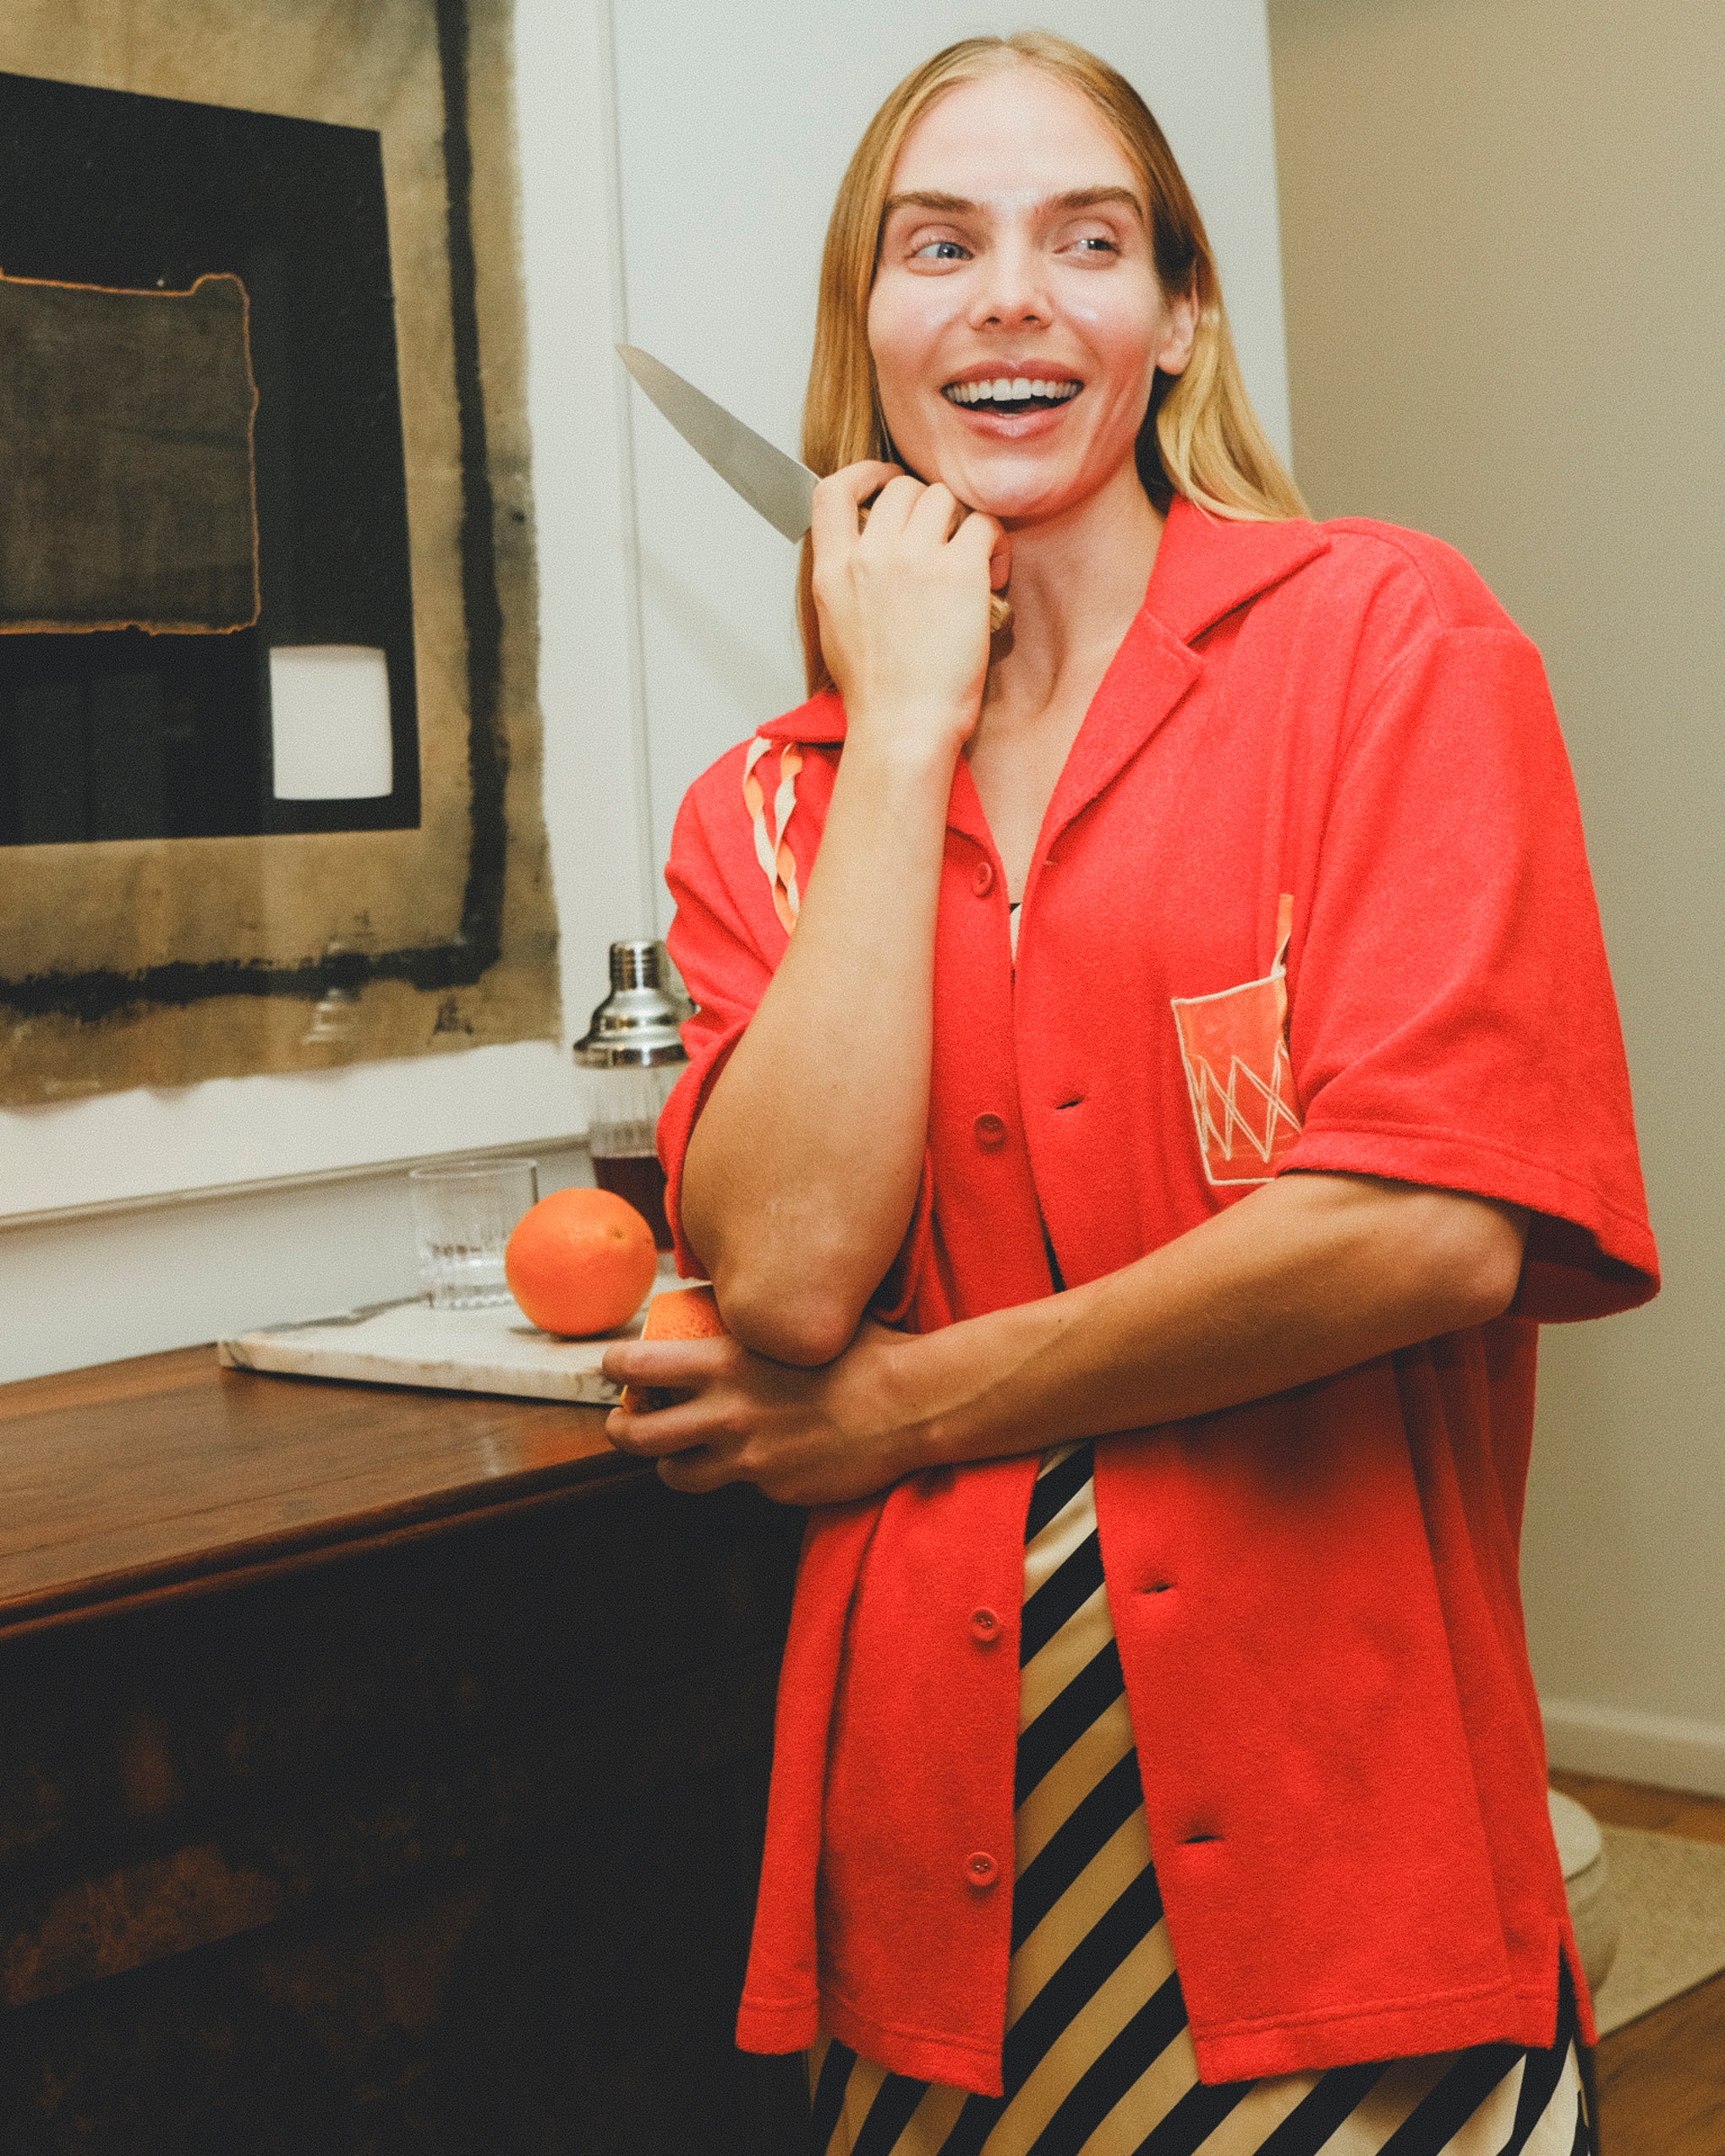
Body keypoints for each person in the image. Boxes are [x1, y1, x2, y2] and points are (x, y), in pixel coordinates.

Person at [603, 30, 1657, 2155]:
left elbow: (1428, 1229)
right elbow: (793, 1277)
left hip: (1354, 1858)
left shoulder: (1388, 645)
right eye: (938, 246)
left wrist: (916, 1404)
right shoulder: (773, 816)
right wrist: (898, 731)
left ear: (1175, 318)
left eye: (1085, 241)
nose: (1009, 296)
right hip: (931, 1902)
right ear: (868, 329)